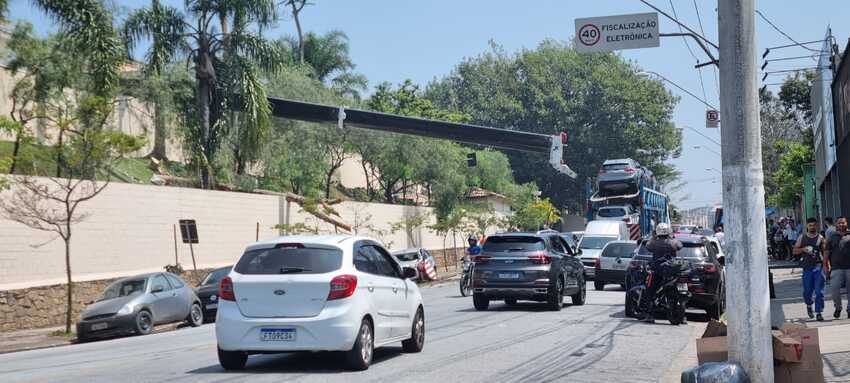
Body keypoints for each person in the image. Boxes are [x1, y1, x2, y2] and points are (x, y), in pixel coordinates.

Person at [638, 222, 684, 323]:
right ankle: (683, 316)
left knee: (649, 291)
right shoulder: (674, 242)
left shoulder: (654, 242)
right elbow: (680, 245)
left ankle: (650, 314)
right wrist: (672, 237)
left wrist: (654, 237)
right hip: (671, 272)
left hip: (657, 271)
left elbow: (648, 246)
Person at [793, 218, 826, 321]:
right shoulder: (802, 237)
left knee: (819, 291)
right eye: (810, 225)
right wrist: (803, 249)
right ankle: (809, 305)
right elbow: (794, 251)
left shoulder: (821, 238)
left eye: (814, 225)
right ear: (807, 226)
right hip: (807, 268)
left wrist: (826, 265)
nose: (812, 227)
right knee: (807, 291)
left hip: (818, 267)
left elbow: (825, 253)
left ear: (817, 226)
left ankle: (819, 312)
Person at [826, 216, 850, 319]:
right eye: (839, 223)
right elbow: (826, 252)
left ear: (846, 223)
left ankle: (849, 309)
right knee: (834, 288)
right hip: (836, 268)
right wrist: (825, 265)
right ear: (836, 224)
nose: (841, 224)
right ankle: (838, 307)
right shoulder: (832, 236)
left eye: (843, 223)